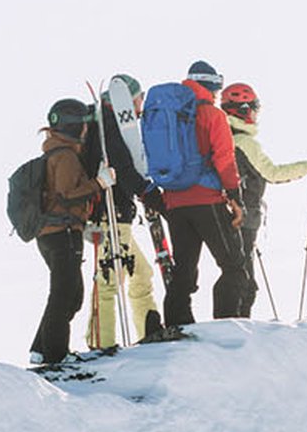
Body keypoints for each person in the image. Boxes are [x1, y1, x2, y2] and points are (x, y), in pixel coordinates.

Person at [219, 82, 307, 318]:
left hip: (227, 216)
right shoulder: (244, 143)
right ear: (244, 110)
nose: (256, 114)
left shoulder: (223, 138)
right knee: (246, 285)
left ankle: (233, 328)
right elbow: (273, 173)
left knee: (239, 277)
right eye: (254, 108)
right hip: (245, 216)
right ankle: (237, 333)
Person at [158, 61, 248, 329]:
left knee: (184, 269)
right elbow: (224, 159)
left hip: (174, 202)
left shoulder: (168, 114)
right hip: (207, 200)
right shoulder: (212, 114)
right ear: (212, 86)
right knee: (233, 265)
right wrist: (235, 197)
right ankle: (225, 325)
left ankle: (177, 324)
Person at [81, 75, 163, 345]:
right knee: (108, 280)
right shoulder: (108, 125)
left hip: (111, 213)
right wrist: (146, 191)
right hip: (110, 215)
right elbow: (121, 164)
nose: (140, 108)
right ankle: (101, 343)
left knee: (141, 274)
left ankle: (144, 334)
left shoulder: (97, 123)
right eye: (139, 99)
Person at [31, 97, 114, 366]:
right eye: (84, 126)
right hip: (62, 232)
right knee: (65, 293)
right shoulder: (65, 157)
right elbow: (67, 195)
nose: (86, 131)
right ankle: (55, 354)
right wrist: (99, 184)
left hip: (53, 232)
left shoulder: (54, 152)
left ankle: (42, 348)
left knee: (69, 293)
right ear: (73, 127)